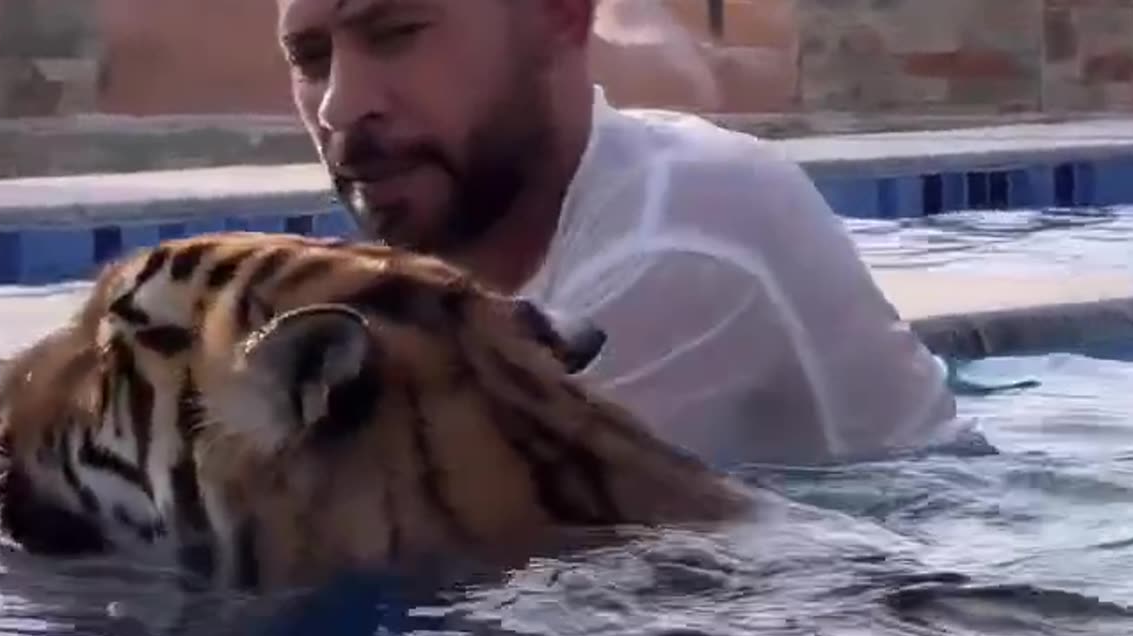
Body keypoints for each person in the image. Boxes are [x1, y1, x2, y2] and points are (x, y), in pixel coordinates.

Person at [274, 0, 963, 467]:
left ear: (561, 14)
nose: (340, 104)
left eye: (395, 31)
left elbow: (505, 590)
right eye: (309, 58)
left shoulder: (679, 246)